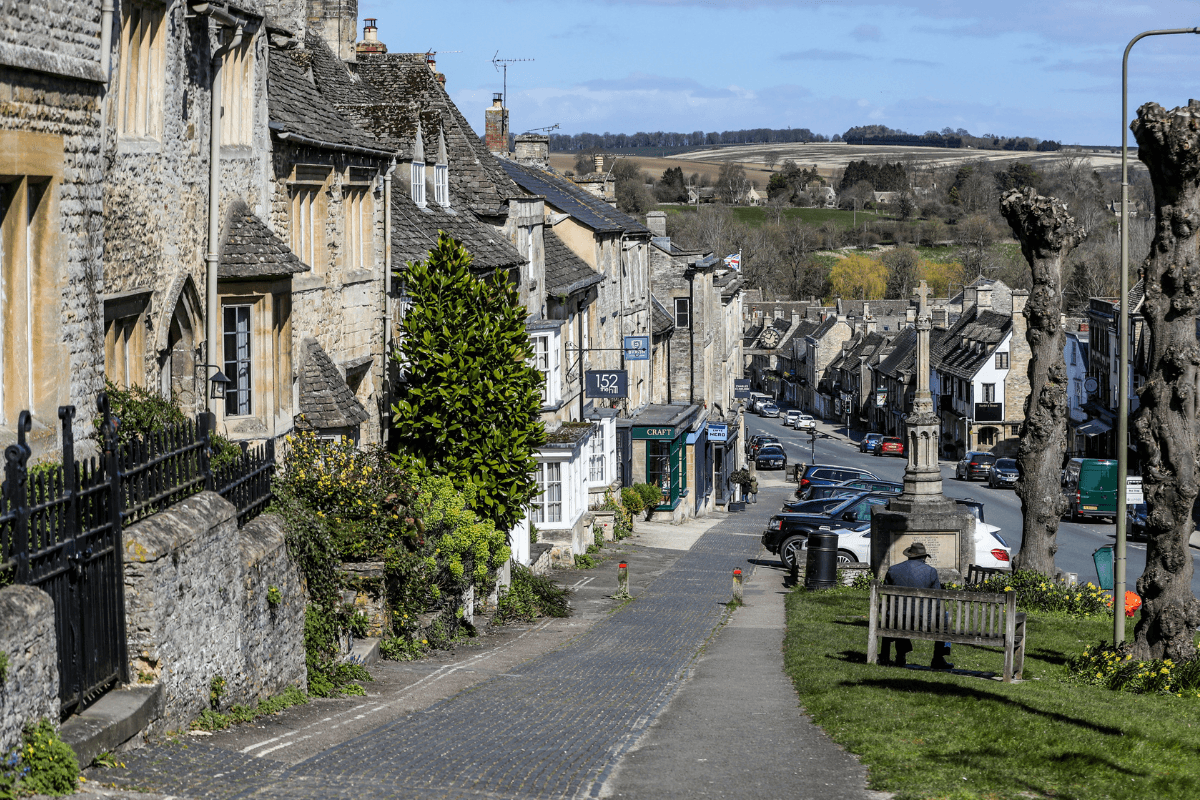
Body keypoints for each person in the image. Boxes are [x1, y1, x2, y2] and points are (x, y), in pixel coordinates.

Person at [880, 542, 953, 670]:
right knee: (944, 617)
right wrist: (934, 618)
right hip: (923, 622)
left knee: (898, 613)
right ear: (924, 557)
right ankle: (938, 658)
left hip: (896, 621)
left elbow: (887, 598)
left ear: (909, 555)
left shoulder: (893, 570)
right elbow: (937, 600)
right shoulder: (931, 572)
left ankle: (895, 655)